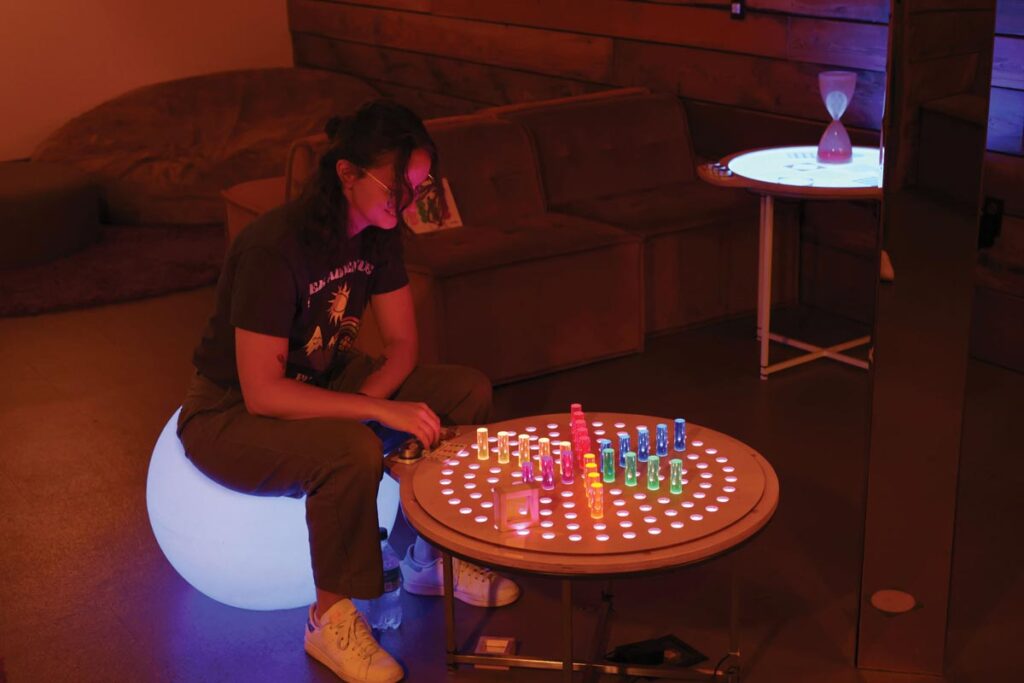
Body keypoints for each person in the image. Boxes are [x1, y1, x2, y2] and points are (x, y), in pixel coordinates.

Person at [176, 100, 519, 683]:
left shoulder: (378, 235)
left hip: (326, 382)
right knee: (349, 451)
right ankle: (328, 618)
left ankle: (425, 556)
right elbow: (262, 393)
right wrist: (373, 414)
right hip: (228, 414)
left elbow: (404, 343)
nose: (406, 201)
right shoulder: (272, 247)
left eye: (417, 186)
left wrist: (375, 405)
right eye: (395, 185)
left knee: (462, 392)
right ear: (347, 173)